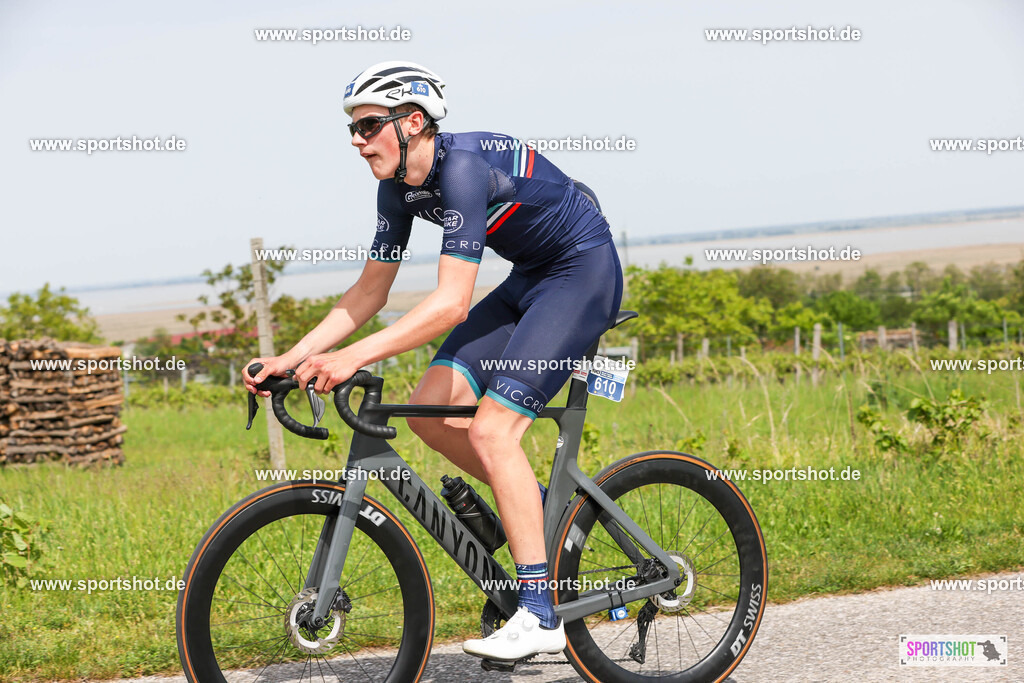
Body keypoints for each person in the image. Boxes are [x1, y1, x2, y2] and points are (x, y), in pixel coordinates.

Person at [243, 61, 623, 662]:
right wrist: (292, 357)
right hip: (530, 279)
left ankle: (540, 613)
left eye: (369, 124)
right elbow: (370, 291)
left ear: (412, 122)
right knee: (430, 414)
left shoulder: (464, 169)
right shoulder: (395, 188)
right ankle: (537, 515)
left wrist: (349, 358)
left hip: (581, 274)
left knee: (494, 431)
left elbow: (450, 304)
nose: (356, 139)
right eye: (352, 127)